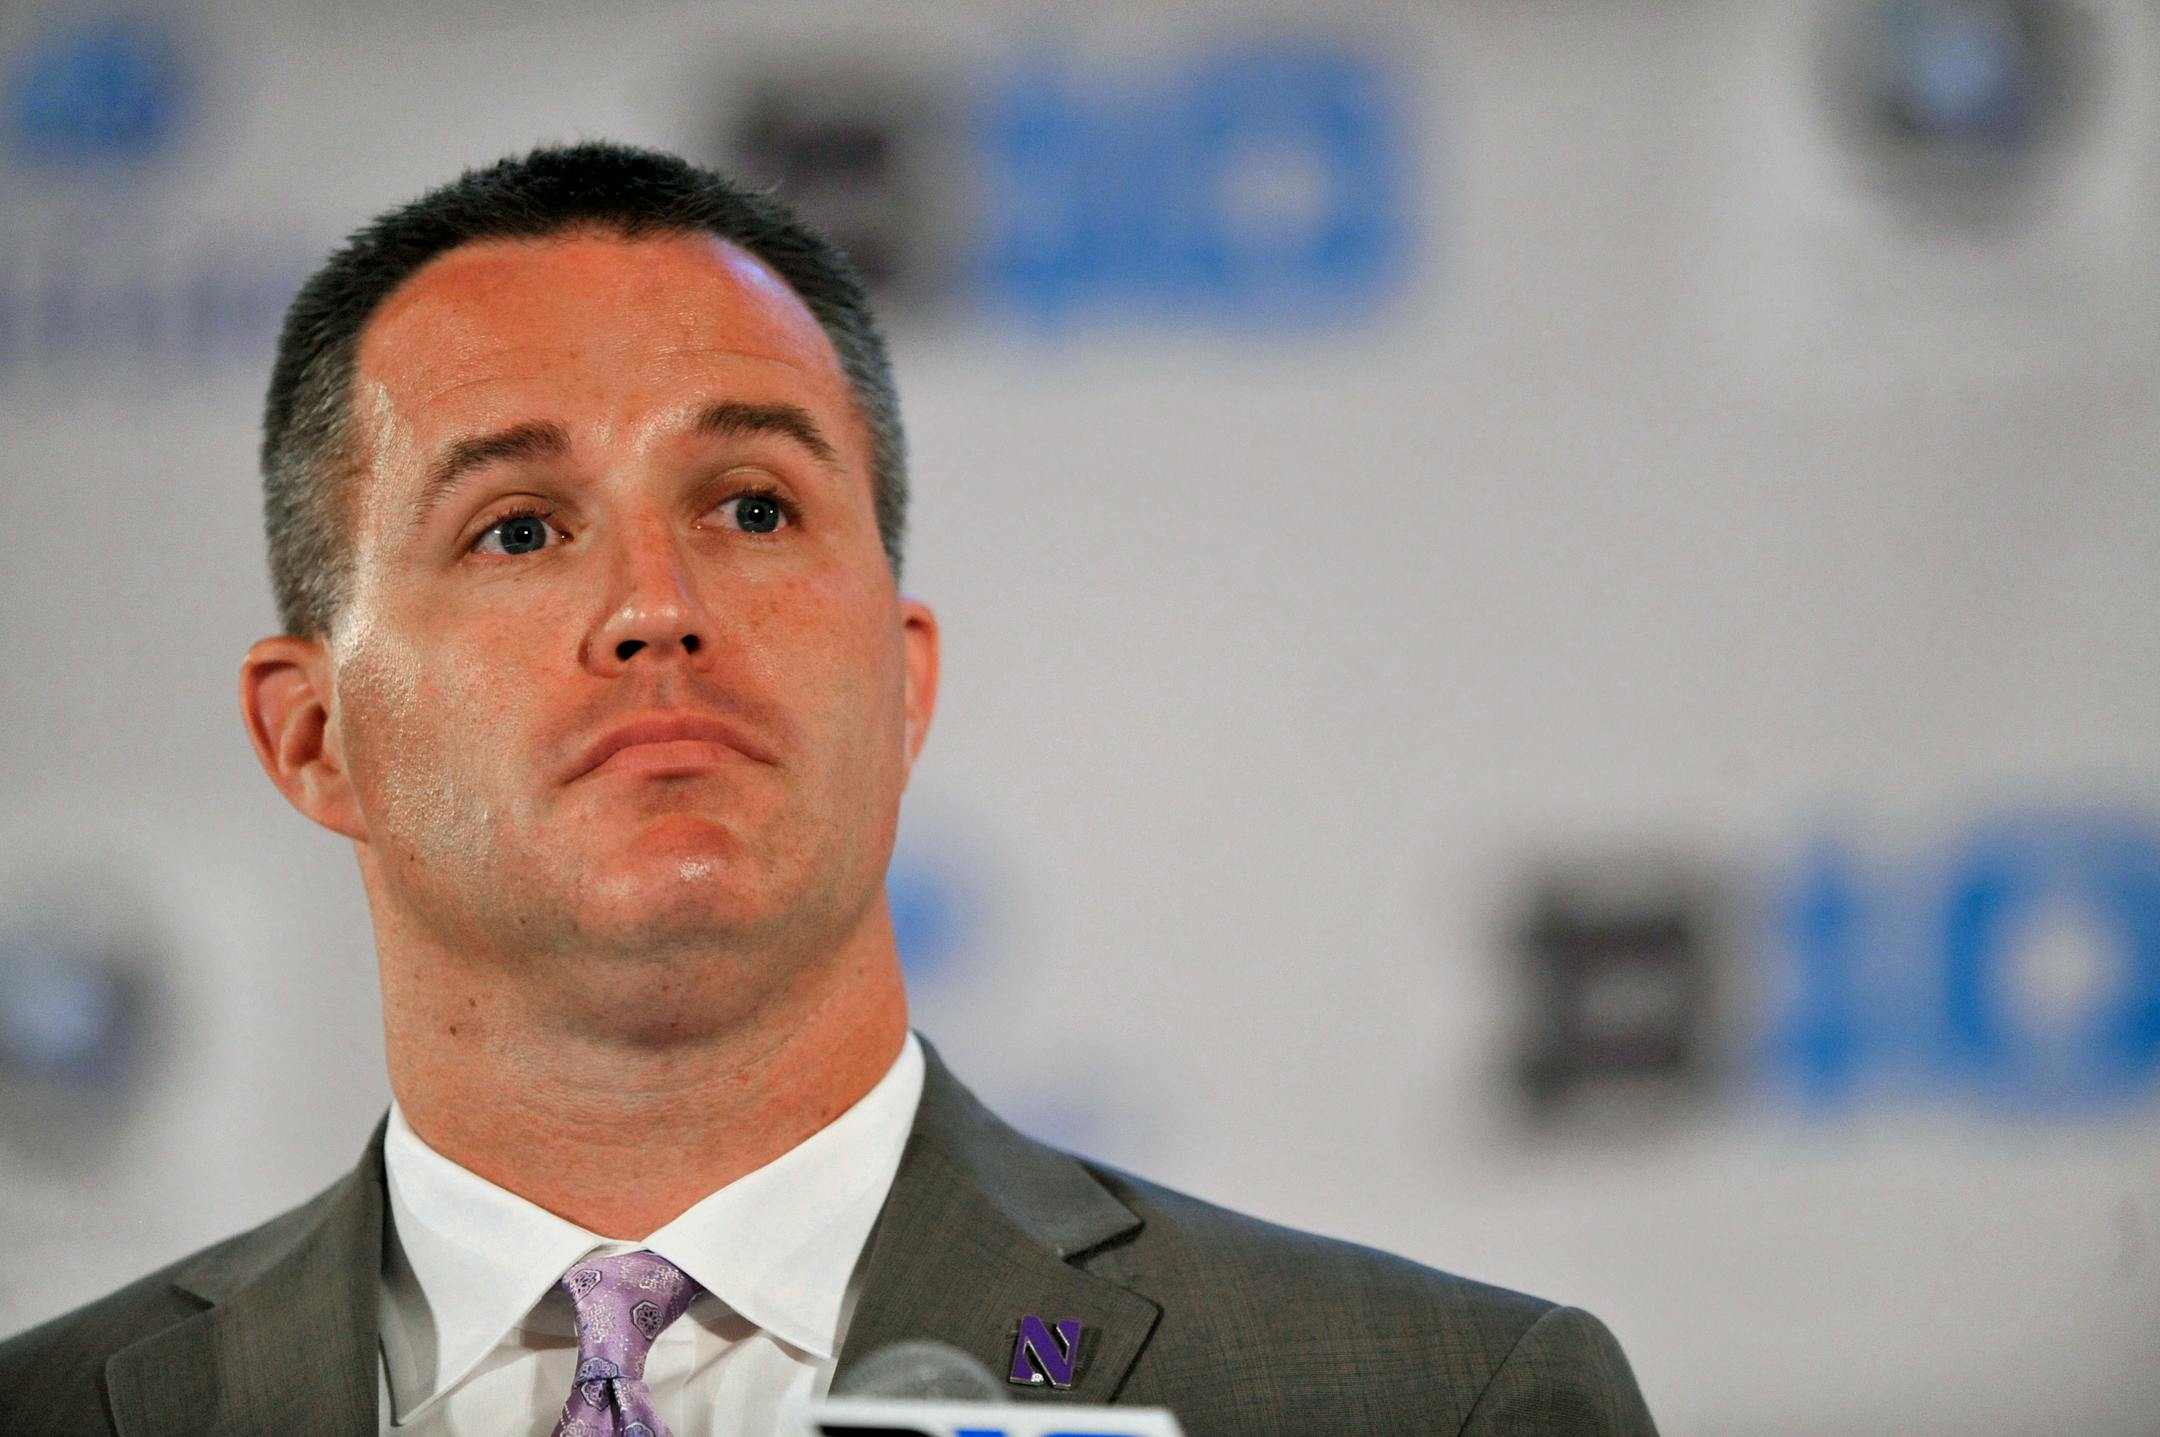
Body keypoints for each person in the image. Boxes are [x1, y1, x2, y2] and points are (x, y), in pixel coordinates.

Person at [0, 142, 1658, 1436]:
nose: (659, 602)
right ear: (312, 739)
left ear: (906, 675)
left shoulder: (1428, 1405)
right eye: (518, 526)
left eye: (753, 507)